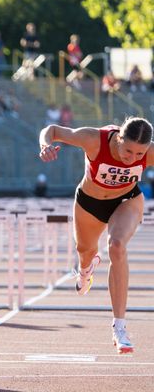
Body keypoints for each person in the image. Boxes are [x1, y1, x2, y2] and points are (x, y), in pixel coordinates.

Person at [39, 116, 154, 354]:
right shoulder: (94, 140)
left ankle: (120, 328)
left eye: (139, 155)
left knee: (117, 246)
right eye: (128, 151)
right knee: (85, 252)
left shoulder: (150, 153)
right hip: (89, 204)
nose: (132, 158)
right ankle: (85, 270)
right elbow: (52, 130)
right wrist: (45, 146)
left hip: (126, 200)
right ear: (119, 138)